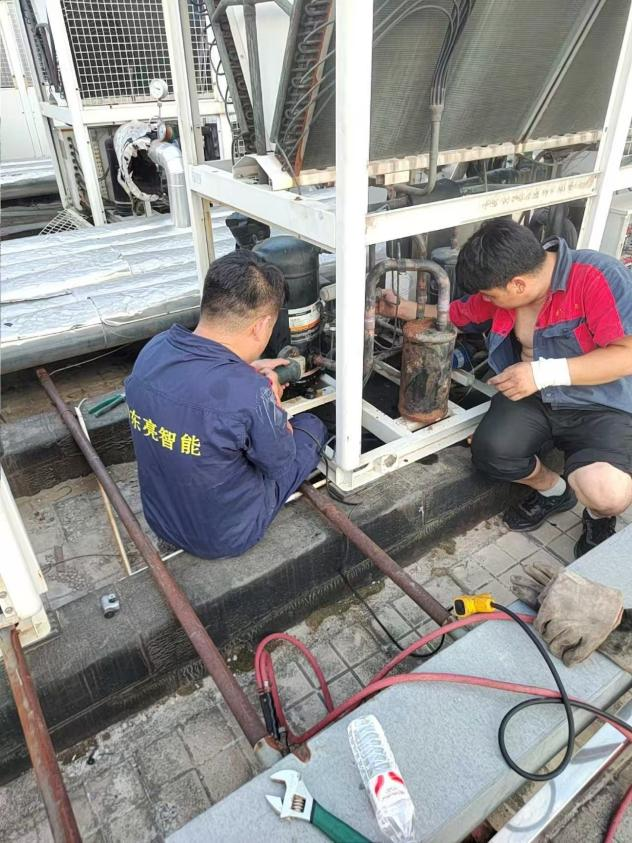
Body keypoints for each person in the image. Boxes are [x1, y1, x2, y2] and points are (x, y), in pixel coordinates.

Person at [378, 219, 632, 557]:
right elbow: (458, 313)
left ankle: (598, 516)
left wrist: (542, 373)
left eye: (489, 295)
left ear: (517, 284)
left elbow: (627, 355)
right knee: (491, 452)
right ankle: (554, 491)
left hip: (598, 400)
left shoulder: (599, 276)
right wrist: (400, 309)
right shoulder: (510, 283)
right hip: (534, 395)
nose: (486, 300)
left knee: (608, 493)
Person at [125, 250, 327, 559]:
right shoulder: (251, 393)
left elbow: (196, 386)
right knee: (312, 427)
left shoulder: (155, 348)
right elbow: (280, 463)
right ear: (261, 326)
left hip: (162, 521)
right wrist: (271, 404)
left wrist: (246, 372)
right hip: (226, 535)